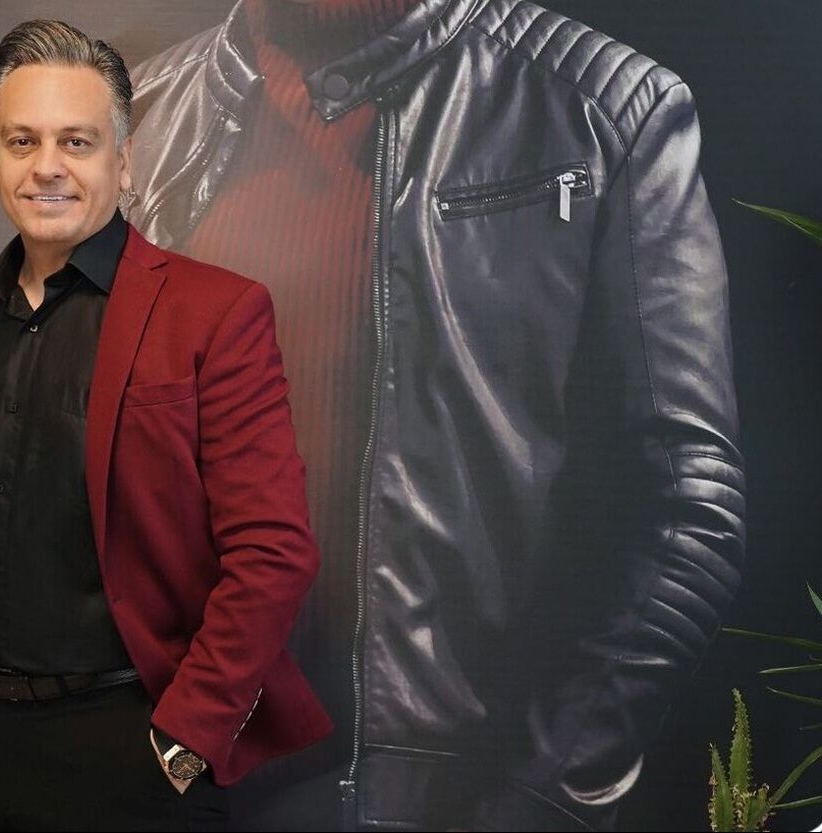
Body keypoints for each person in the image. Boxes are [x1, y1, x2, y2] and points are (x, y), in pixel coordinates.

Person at [124, 0, 747, 830]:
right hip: (173, 783)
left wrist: (537, 802)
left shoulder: (602, 108)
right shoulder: (142, 111)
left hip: (443, 795)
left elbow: (685, 510)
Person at [0, 18, 331, 832]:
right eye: (22, 141)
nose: (46, 166)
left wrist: (187, 737)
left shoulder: (216, 313)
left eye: (76, 142)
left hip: (135, 749)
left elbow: (273, 550)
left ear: (125, 160)